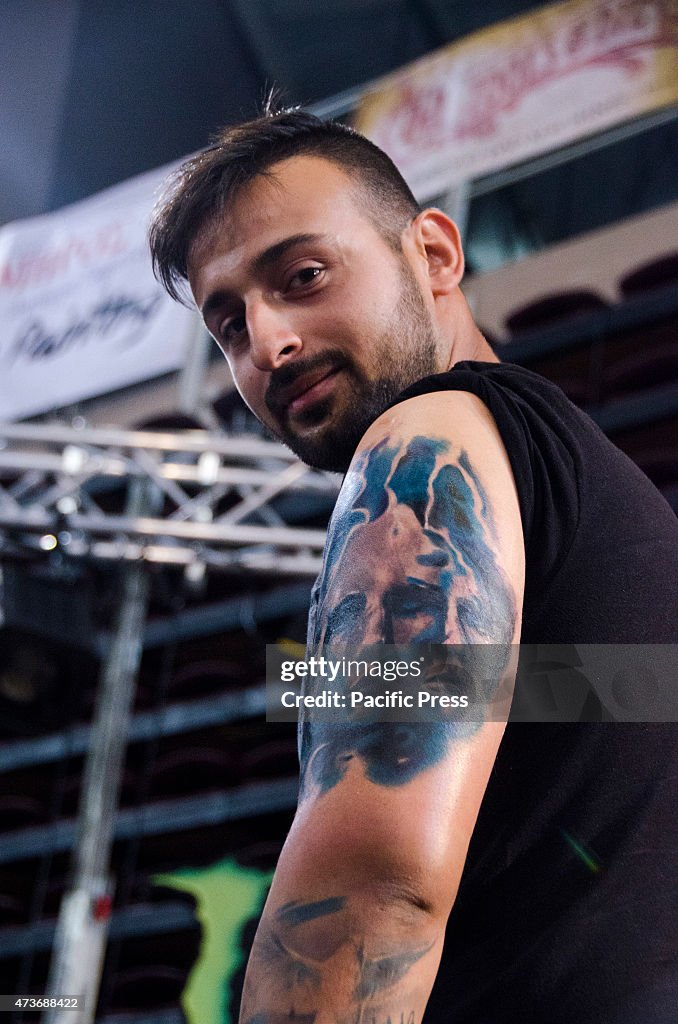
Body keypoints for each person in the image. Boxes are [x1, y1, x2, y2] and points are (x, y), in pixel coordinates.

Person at [149, 108, 678, 1024]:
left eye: (303, 275)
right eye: (228, 323)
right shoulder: (592, 489)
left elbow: (365, 892)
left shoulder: (426, 439)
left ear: (432, 255)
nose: (267, 342)